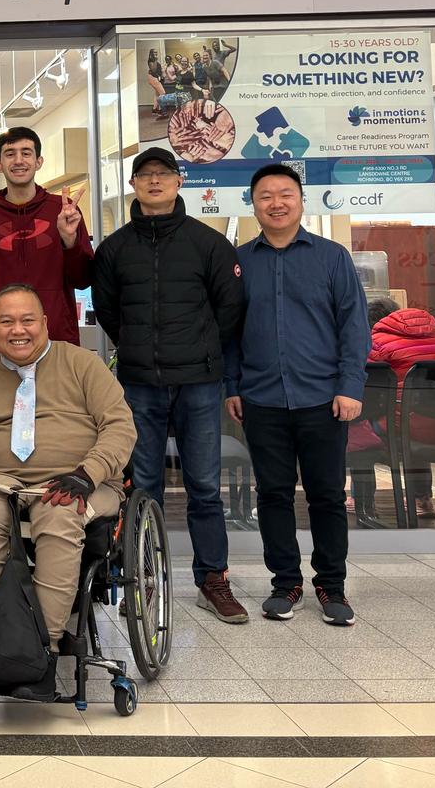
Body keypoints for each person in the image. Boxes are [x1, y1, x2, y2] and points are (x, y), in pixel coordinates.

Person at [0, 286, 136, 656]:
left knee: (59, 513)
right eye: (6, 321)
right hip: (4, 483)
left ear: (44, 322)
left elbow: (120, 426)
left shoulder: (82, 364)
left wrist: (87, 473)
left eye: (27, 320)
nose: (17, 330)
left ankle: (44, 647)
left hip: (81, 480)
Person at [92, 147, 247, 623]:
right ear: (133, 185)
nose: (154, 181)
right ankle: (142, 579)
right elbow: (109, 312)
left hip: (199, 382)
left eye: (163, 173)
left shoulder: (208, 243)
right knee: (142, 487)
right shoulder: (115, 249)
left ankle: (213, 579)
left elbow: (230, 309)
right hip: (139, 383)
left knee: (204, 485)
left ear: (179, 182)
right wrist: (138, 348)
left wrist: (200, 348)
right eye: (145, 174)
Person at [225, 163, 368, 626]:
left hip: (323, 399)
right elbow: (229, 333)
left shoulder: (332, 257)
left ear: (301, 201)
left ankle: (331, 585)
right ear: (253, 204)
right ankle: (285, 583)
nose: (276, 203)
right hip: (262, 399)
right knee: (273, 495)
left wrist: (350, 386)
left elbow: (354, 326)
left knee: (327, 495)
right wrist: (232, 386)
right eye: (265, 196)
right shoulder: (239, 262)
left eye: (285, 194)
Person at [0, 126, 92, 351]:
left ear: (39, 161)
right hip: (2, 343)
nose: (18, 160)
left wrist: (70, 242)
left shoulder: (63, 211)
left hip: (57, 339)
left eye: (26, 153)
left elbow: (83, 279)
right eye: (10, 154)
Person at [360, 296, 435, 521]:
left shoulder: (376, 342)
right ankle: (421, 499)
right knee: (414, 417)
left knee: (363, 427)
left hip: (407, 427)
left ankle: (362, 500)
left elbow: (366, 386)